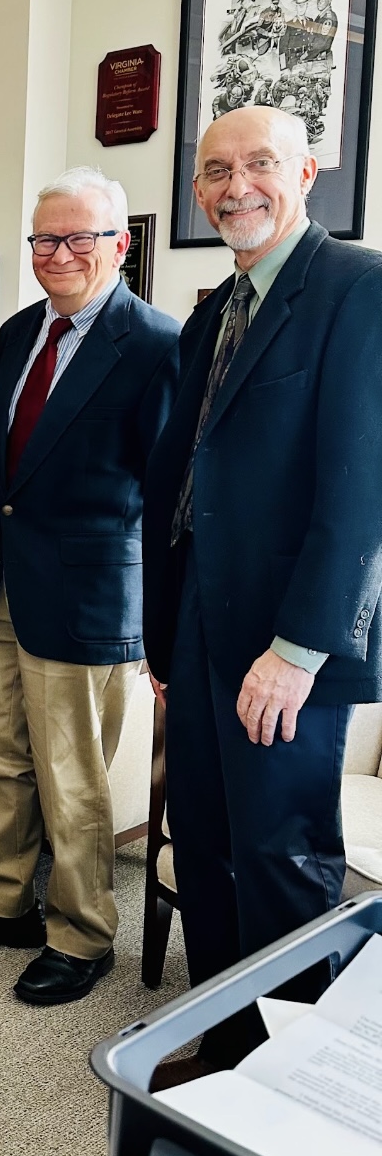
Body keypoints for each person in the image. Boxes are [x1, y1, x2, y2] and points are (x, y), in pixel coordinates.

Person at [144, 106, 382, 1082]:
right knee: (204, 840)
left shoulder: (357, 290)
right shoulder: (214, 310)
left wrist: (299, 649)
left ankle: (290, 1079)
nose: (235, 185)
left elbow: (360, 492)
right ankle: (228, 1041)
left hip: (287, 644)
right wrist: (168, 638)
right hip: (200, 619)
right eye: (215, 171)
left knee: (282, 860)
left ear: (308, 172)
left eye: (259, 165)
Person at [0, 168, 179, 1007]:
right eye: (43, 240)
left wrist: (155, 622)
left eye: (78, 239)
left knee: (73, 775)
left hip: (84, 595)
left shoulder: (157, 345)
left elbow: (170, 495)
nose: (56, 254)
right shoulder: (20, 331)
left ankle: (81, 933)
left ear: (119, 245)